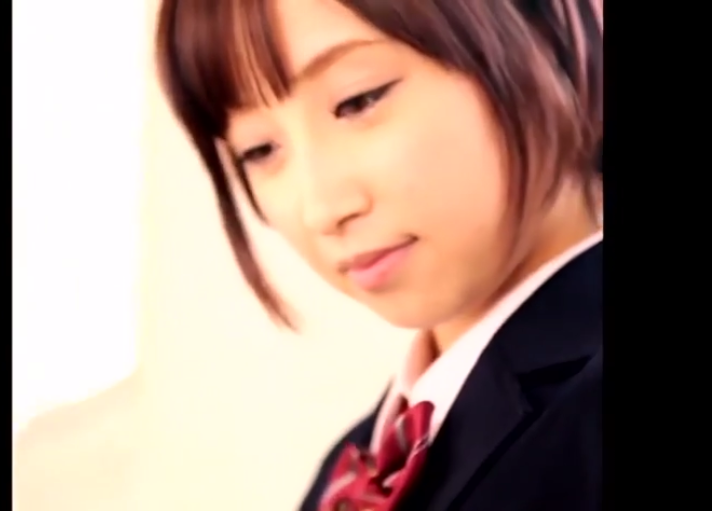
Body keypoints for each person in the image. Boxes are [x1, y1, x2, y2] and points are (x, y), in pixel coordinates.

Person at [155, 0, 603, 510]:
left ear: (540, 35)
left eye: (359, 100)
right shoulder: (358, 462)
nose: (321, 209)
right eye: (259, 150)